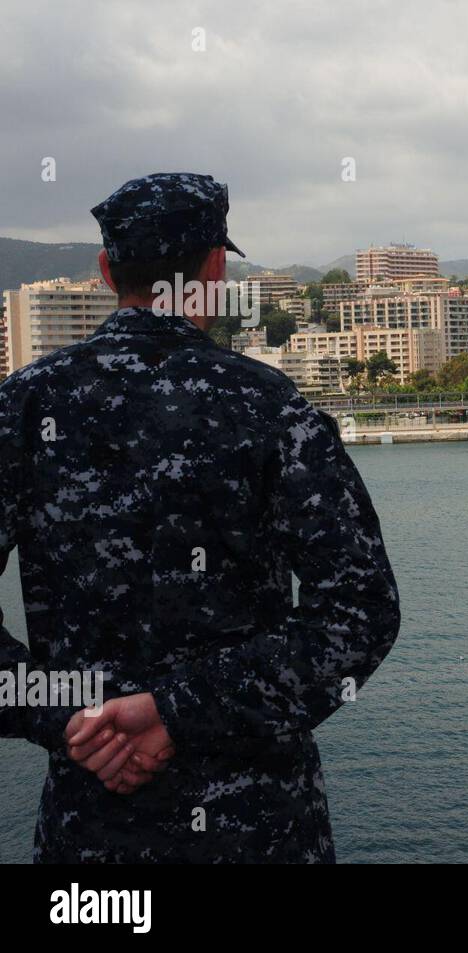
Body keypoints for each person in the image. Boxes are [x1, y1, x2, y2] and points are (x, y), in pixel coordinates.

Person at [0, 172, 400, 862]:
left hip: (91, 834)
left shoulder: (23, 407)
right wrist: (179, 712)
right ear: (214, 269)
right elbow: (360, 611)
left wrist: (66, 717)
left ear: (105, 271)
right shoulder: (270, 406)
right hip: (263, 829)